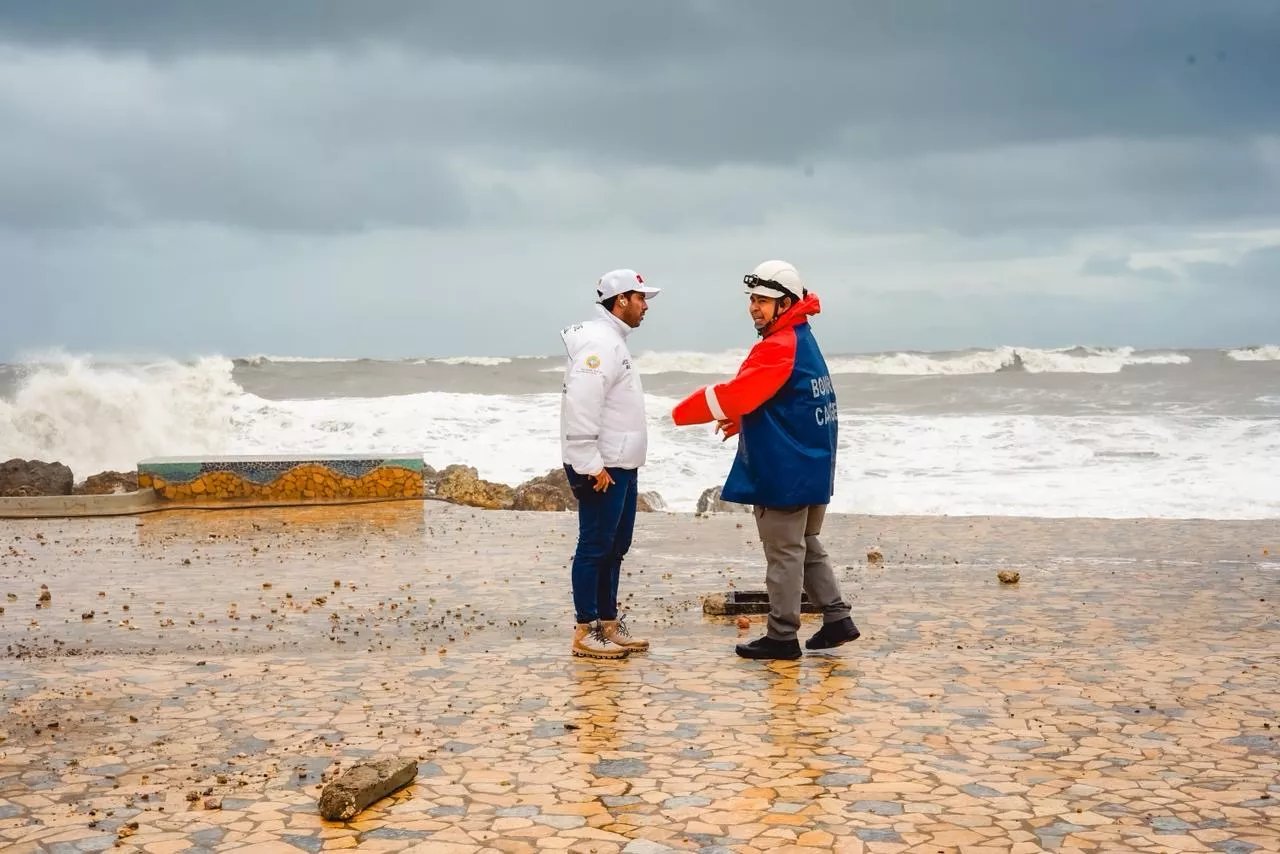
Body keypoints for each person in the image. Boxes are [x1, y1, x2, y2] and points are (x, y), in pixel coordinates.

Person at [671, 259, 860, 660]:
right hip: (812, 464)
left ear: (785, 303)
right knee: (804, 544)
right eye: (752, 299)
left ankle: (782, 637)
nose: (754, 307)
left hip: (785, 469)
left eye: (763, 300)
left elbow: (737, 393)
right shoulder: (802, 337)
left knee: (784, 554)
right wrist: (746, 420)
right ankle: (837, 618)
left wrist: (677, 415)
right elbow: (789, 397)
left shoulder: (779, 345)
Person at [559, 268, 660, 659]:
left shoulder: (614, 340)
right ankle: (586, 630)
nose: (645, 306)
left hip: (622, 463)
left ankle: (608, 624)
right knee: (595, 546)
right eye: (641, 298)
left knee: (616, 546)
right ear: (621, 300)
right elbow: (581, 402)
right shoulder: (599, 344)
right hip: (602, 466)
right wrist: (589, 462)